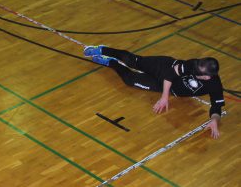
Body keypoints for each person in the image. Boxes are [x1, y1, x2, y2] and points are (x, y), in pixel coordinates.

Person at [84, 45, 225, 139]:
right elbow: (170, 74)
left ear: (207, 76)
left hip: (163, 86)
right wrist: (164, 98)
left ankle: (110, 62)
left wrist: (214, 120)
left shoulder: (215, 86)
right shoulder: (194, 64)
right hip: (163, 67)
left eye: (198, 73)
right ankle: (103, 49)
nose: (194, 71)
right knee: (133, 61)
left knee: (130, 80)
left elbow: (216, 106)